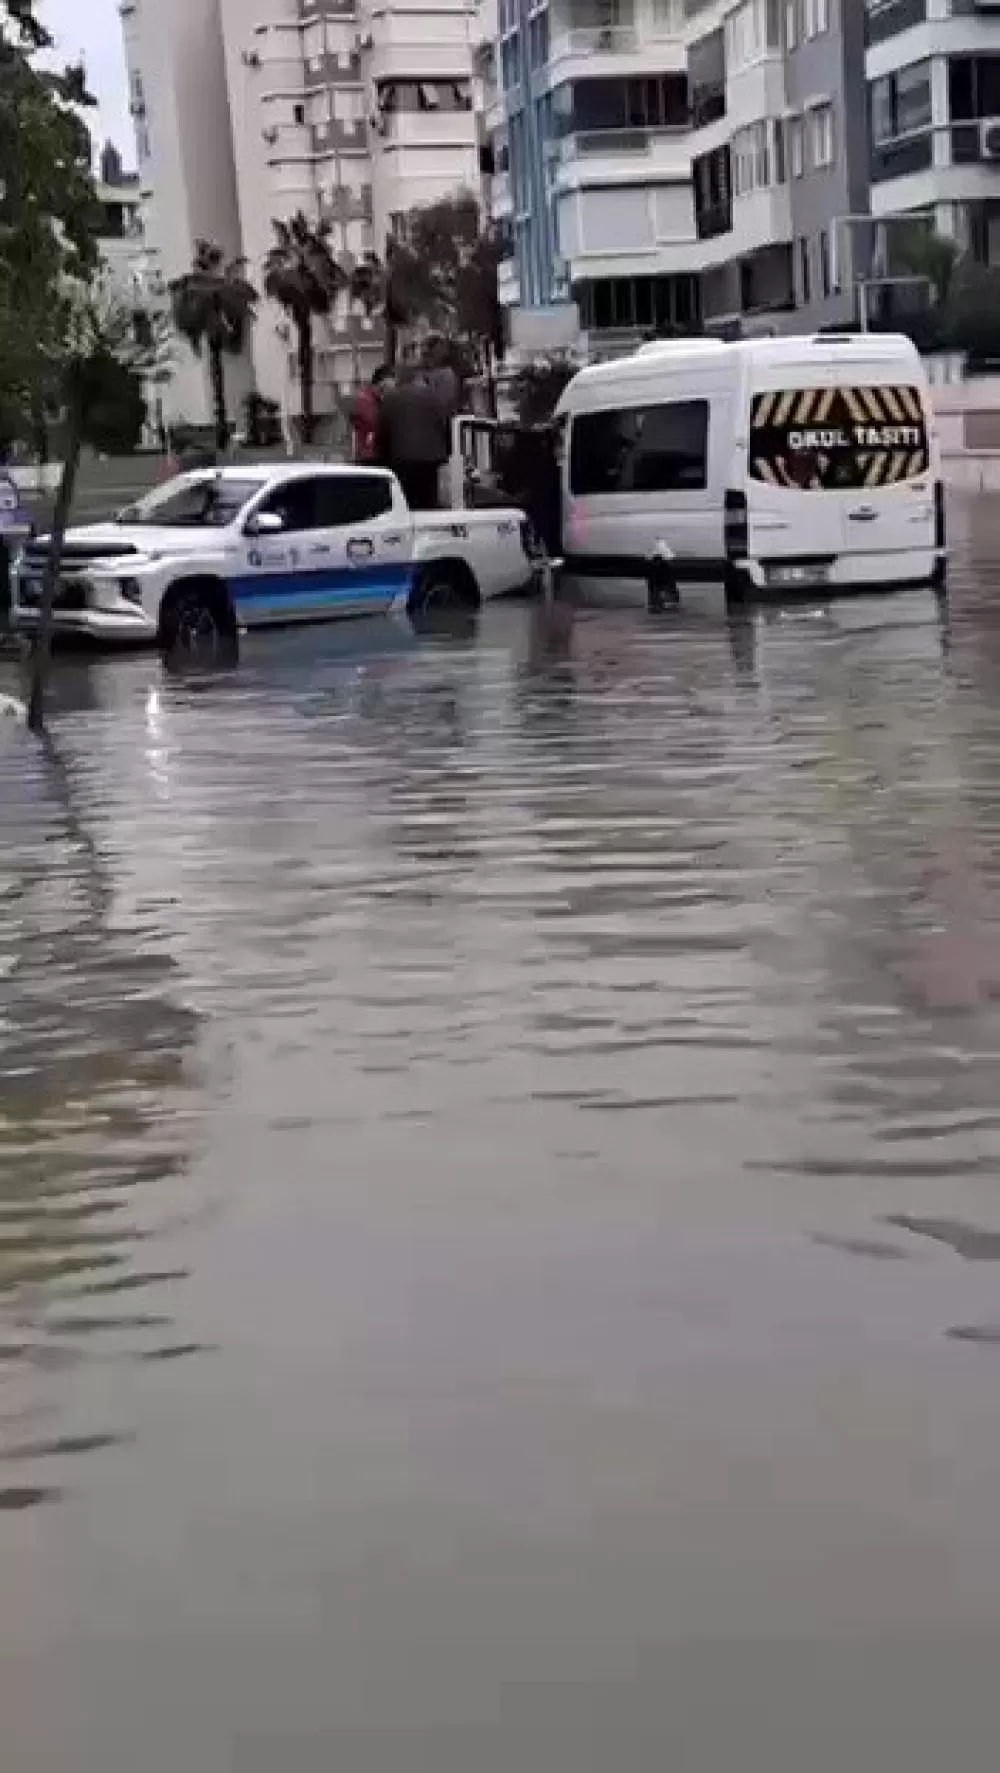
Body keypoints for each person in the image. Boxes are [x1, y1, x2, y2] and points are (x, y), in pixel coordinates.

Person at [373, 364, 450, 510]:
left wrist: (383, 458)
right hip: (430, 460)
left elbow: (382, 432)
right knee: (428, 501)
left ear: (400, 380)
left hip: (402, 460)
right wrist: (446, 451)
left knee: (406, 502)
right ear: (417, 379)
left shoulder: (390, 398)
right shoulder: (434, 397)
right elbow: (444, 426)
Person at [351, 364, 390, 464]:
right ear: (383, 381)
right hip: (368, 455)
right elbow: (373, 422)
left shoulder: (377, 399)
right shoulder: (365, 399)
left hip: (377, 453)